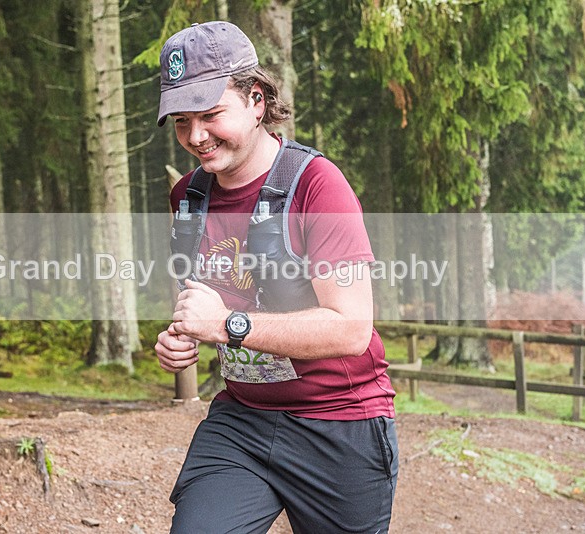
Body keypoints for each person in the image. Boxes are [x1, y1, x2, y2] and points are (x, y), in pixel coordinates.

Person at [154, 21, 398, 534]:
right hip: (243, 420)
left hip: (339, 423)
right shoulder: (188, 199)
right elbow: (208, 301)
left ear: (257, 100)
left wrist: (228, 326)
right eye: (181, 121)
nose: (195, 136)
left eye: (210, 114)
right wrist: (181, 340)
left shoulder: (317, 186)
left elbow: (351, 329)